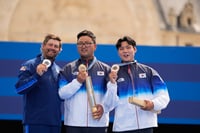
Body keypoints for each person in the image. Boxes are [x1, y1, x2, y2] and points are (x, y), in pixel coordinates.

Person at [103, 36, 170, 133]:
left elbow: (164, 95)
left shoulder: (149, 71)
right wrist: (112, 83)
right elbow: (109, 104)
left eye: (128, 47)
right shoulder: (113, 74)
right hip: (123, 127)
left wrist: (153, 104)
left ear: (134, 49)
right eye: (121, 49)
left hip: (146, 125)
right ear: (118, 52)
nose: (125, 51)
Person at [58, 30, 116, 133]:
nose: (83, 46)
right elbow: (62, 94)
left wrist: (104, 107)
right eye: (80, 43)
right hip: (74, 125)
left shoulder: (106, 70)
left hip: (98, 124)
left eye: (87, 43)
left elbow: (114, 98)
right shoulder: (68, 69)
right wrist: (78, 81)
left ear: (95, 46)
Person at [15, 34, 63, 133]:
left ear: (59, 50)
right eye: (50, 45)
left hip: (55, 123)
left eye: (56, 46)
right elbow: (19, 88)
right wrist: (36, 75)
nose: (52, 48)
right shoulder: (30, 65)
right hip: (34, 122)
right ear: (43, 46)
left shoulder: (59, 70)